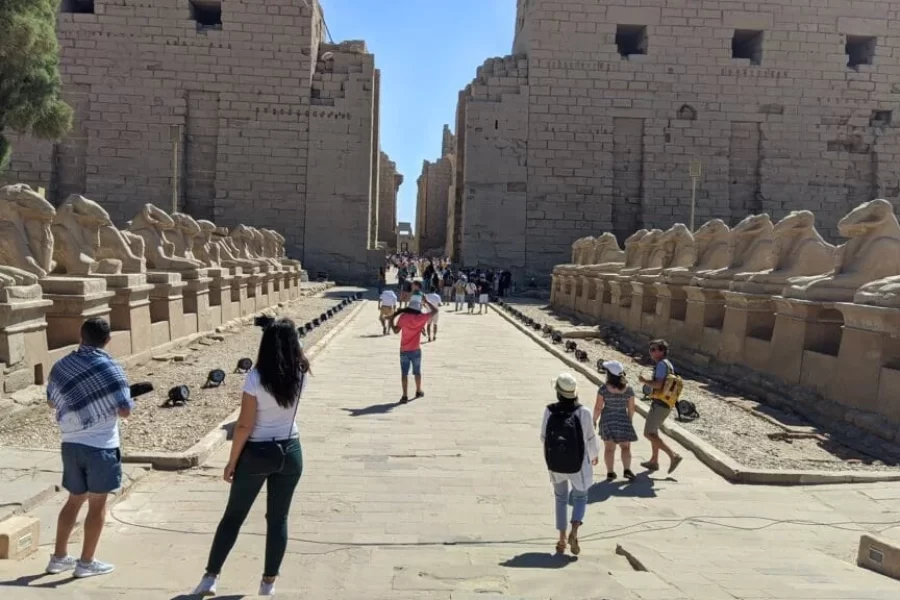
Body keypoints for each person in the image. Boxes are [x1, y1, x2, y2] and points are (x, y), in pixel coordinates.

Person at [193, 319, 309, 597]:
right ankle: (268, 583)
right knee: (278, 518)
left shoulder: (256, 377)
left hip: (258, 451)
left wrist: (232, 461)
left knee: (234, 516)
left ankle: (211, 577)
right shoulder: (301, 371)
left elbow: (244, 425)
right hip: (290, 450)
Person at [44, 318, 133, 579]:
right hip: (101, 447)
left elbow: (52, 403)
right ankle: (86, 562)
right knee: (97, 506)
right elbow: (125, 410)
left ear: (80, 336)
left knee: (73, 501)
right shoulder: (111, 368)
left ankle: (58, 558)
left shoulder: (61, 365)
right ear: (107, 341)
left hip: (70, 444)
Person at [541, 373, 599, 556]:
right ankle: (575, 528)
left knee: (560, 498)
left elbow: (543, 437)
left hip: (556, 462)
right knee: (580, 497)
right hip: (579, 463)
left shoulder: (549, 411)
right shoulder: (584, 412)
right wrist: (594, 455)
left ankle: (561, 538)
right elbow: (590, 438)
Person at [638, 339, 683, 474]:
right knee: (654, 432)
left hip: (660, 404)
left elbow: (658, 385)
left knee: (648, 433)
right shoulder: (667, 364)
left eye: (654, 350)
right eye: (650, 349)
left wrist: (644, 381)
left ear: (662, 351)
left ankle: (673, 455)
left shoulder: (662, 365)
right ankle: (654, 461)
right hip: (664, 402)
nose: (651, 353)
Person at [593, 360, 637, 482]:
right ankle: (627, 469)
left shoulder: (603, 389)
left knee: (609, 449)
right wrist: (629, 421)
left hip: (607, 420)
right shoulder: (629, 390)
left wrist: (594, 420)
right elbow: (631, 408)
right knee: (626, 448)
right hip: (623, 419)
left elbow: (598, 407)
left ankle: (610, 472)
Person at [390, 295, 438, 404]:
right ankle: (418, 390)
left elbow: (396, 331)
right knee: (417, 372)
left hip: (404, 349)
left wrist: (391, 322)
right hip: (416, 349)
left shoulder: (403, 316)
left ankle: (404, 395)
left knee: (404, 373)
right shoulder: (421, 317)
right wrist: (427, 302)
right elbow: (435, 311)